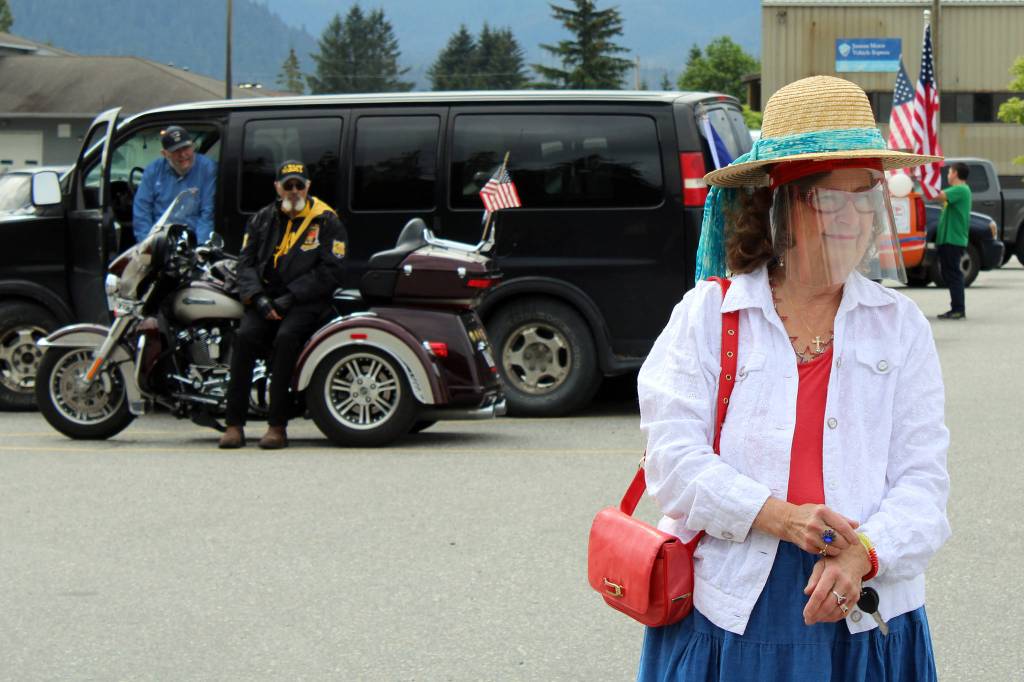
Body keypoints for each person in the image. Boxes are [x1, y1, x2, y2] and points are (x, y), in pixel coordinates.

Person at [636, 76, 951, 680]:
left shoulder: (900, 326)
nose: (854, 217)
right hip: (737, 607)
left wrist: (865, 552)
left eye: (866, 196)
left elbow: (923, 480)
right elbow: (672, 464)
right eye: (830, 198)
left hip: (866, 599)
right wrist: (783, 517)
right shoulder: (709, 315)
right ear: (776, 204)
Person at [218, 160, 347, 450]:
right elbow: (246, 263)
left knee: (286, 339)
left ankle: (277, 426)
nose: (293, 191)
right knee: (244, 337)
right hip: (265, 298)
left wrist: (290, 297)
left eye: (298, 185)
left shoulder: (326, 220)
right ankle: (233, 424)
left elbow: (332, 271)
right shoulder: (262, 218)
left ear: (308, 187)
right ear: (277, 187)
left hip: (305, 301)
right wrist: (258, 299)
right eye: (287, 185)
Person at [132, 125, 217, 243]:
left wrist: (199, 248)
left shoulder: (208, 168)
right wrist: (148, 246)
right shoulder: (153, 171)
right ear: (165, 153)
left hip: (193, 239)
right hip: (160, 239)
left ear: (193, 146)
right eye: (176, 150)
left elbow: (208, 213)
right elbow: (142, 211)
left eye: (186, 148)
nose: (183, 155)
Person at [936, 162, 972, 320]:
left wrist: (925, 183)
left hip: (954, 239)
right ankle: (955, 307)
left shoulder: (961, 189)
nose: (948, 175)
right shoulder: (958, 190)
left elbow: (939, 196)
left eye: (949, 172)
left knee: (954, 274)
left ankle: (958, 309)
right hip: (948, 239)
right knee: (949, 273)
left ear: (955, 173)